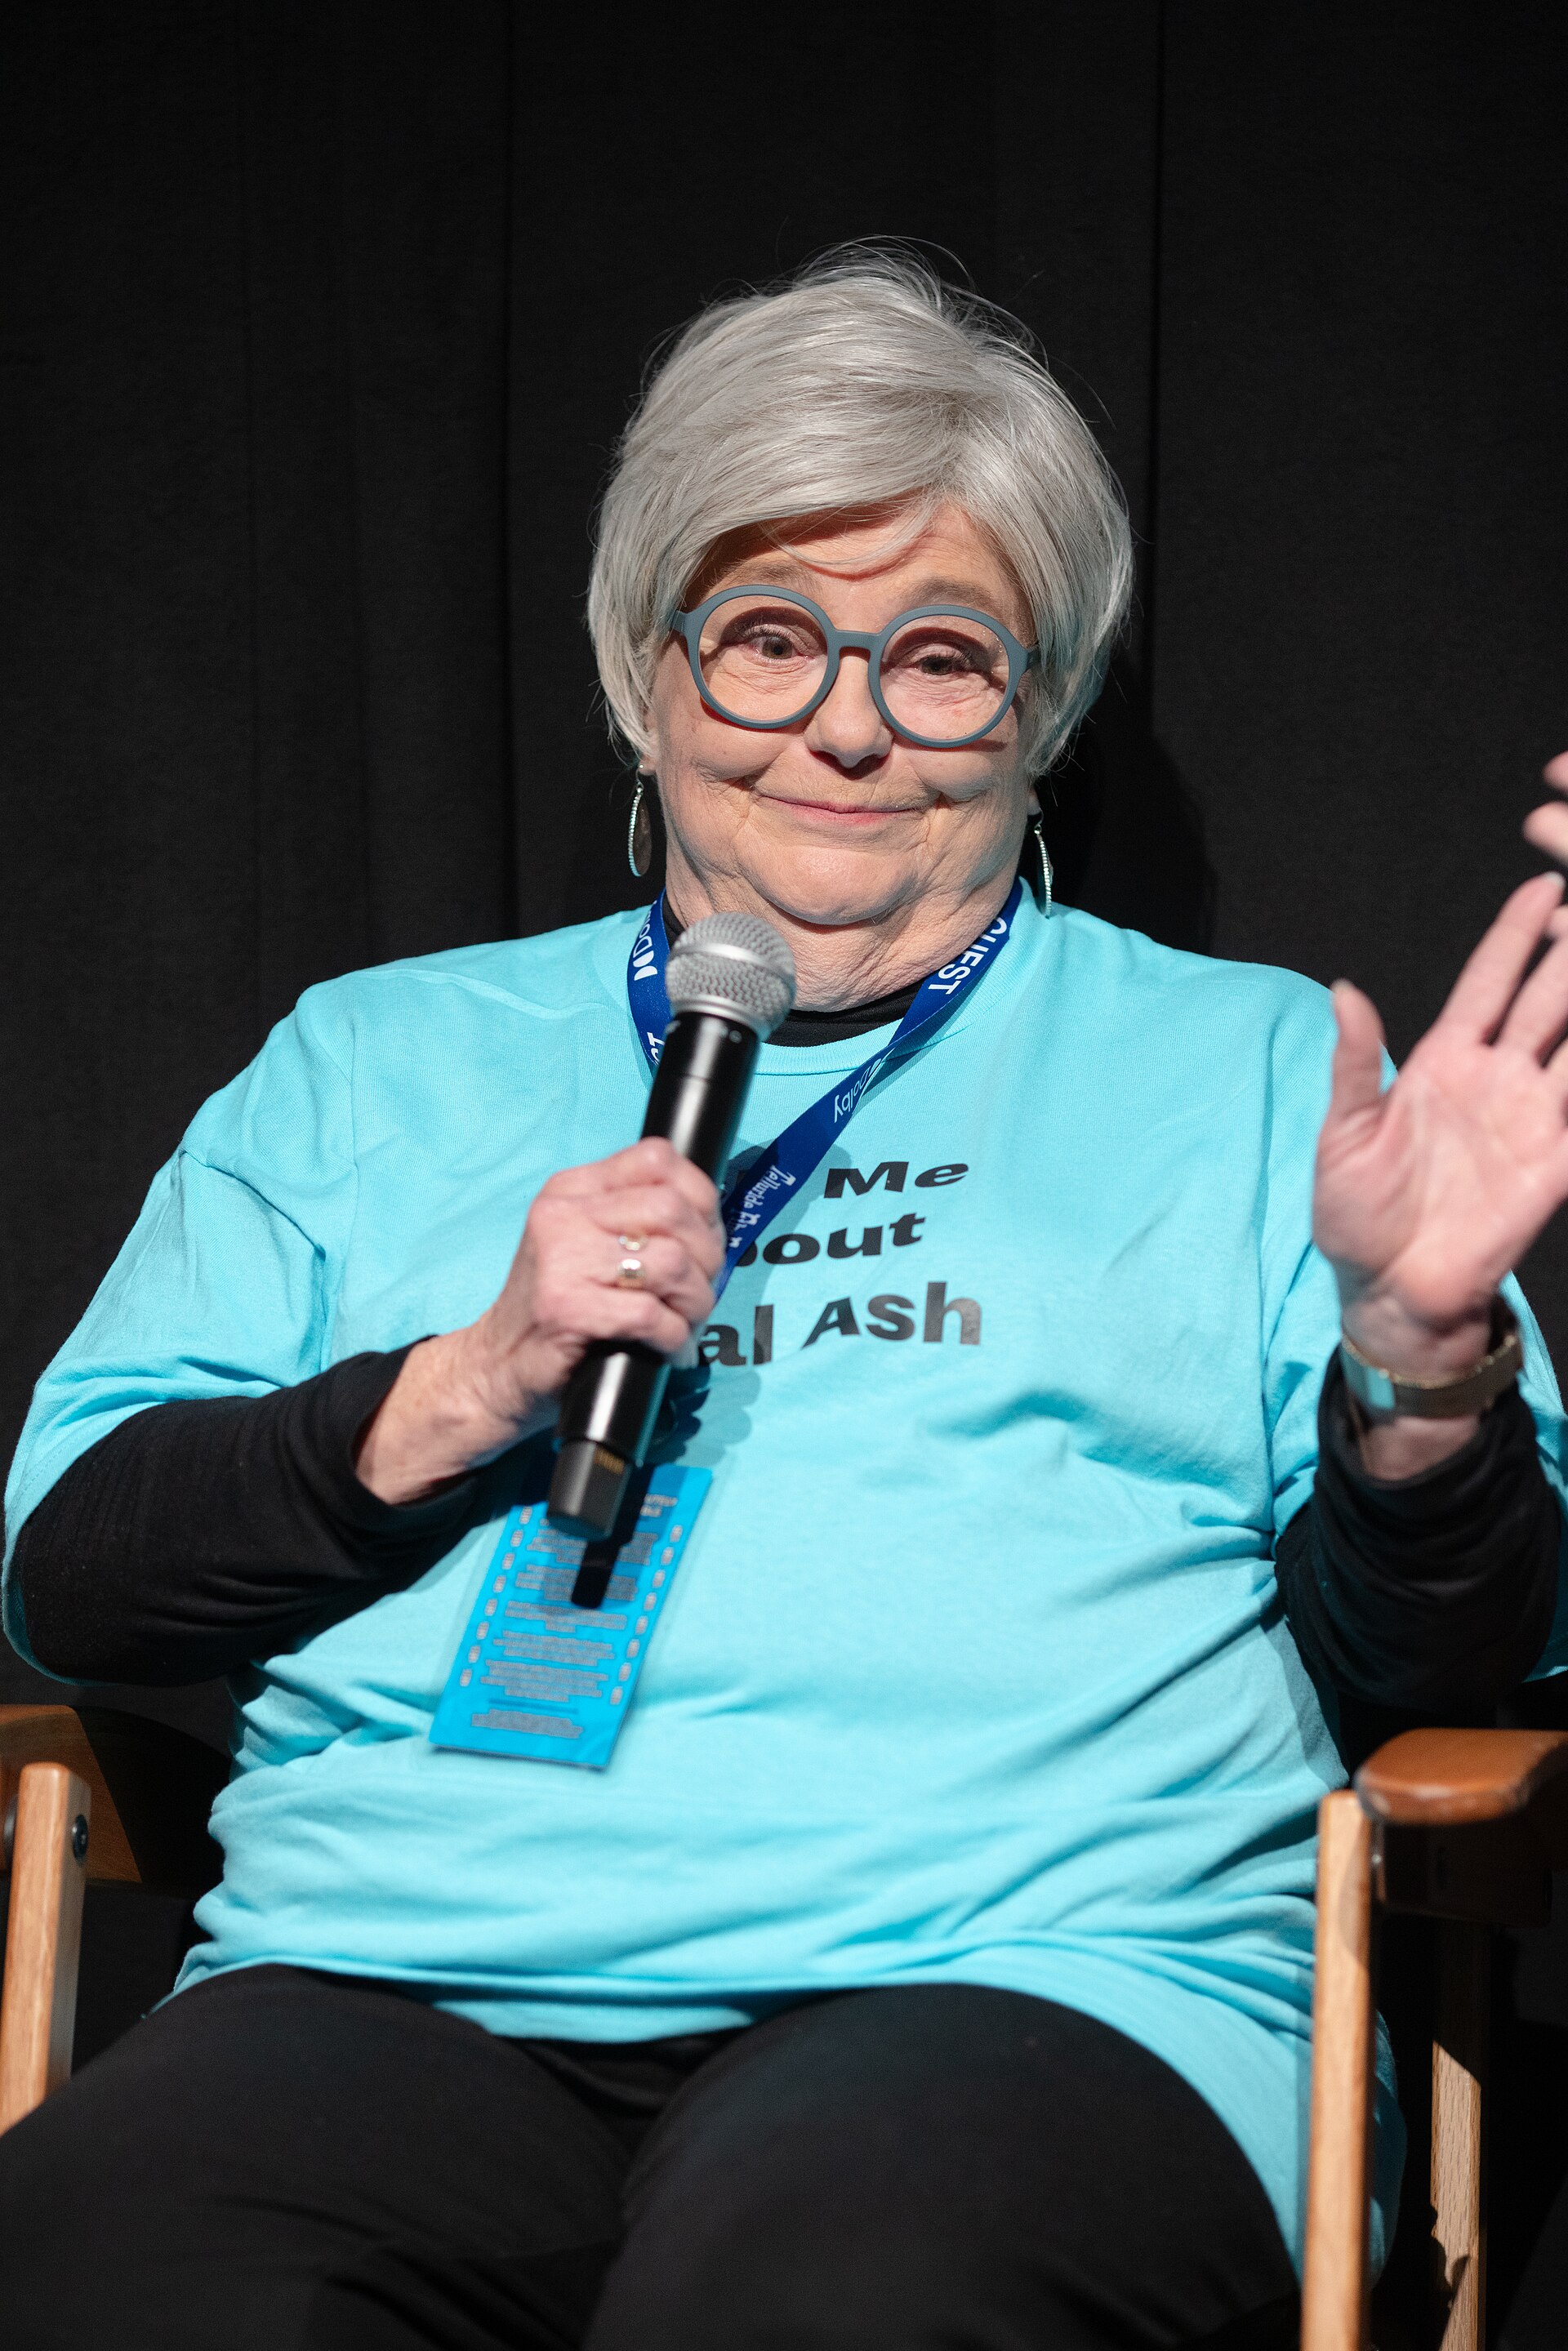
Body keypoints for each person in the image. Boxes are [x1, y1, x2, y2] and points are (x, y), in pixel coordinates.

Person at [2, 253, 1567, 2351]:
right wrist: (465, 1384)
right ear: (645, 678)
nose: (843, 720)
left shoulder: (1265, 1075)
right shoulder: (368, 1064)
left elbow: (1447, 1658)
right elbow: (75, 1577)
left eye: (942, 658)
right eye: (764, 640)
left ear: (1050, 710)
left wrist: (1424, 1368)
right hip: (401, 1977)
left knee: (830, 2287)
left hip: (1034, 1987)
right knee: (113, 2257)